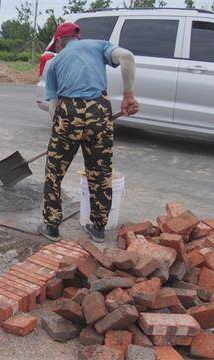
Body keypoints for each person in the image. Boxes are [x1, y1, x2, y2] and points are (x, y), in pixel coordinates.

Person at [39, 22, 139, 243]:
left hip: (68, 111)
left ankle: (52, 226)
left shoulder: (54, 63)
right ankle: (98, 229)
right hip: (99, 109)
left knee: (54, 172)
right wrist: (129, 95)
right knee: (100, 172)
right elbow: (127, 57)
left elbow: (54, 107)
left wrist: (58, 133)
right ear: (78, 38)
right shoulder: (98, 46)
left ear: (58, 42)